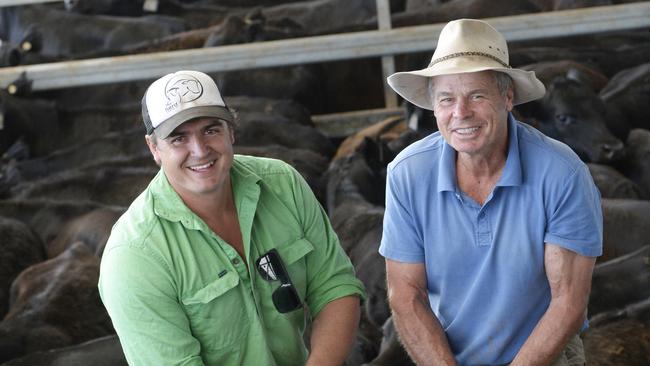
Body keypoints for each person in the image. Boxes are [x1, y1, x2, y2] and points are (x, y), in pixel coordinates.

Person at [98, 70, 365, 366]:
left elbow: (334, 286)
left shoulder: (283, 184)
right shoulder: (134, 257)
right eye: (178, 138)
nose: (199, 150)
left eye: (211, 130)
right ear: (154, 148)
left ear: (231, 130)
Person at [379, 19, 602, 366]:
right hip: (444, 354)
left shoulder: (561, 172)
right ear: (433, 107)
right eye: (446, 99)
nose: (460, 113)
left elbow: (568, 303)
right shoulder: (407, 174)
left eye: (477, 95)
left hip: (544, 354)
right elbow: (406, 294)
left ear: (508, 97)